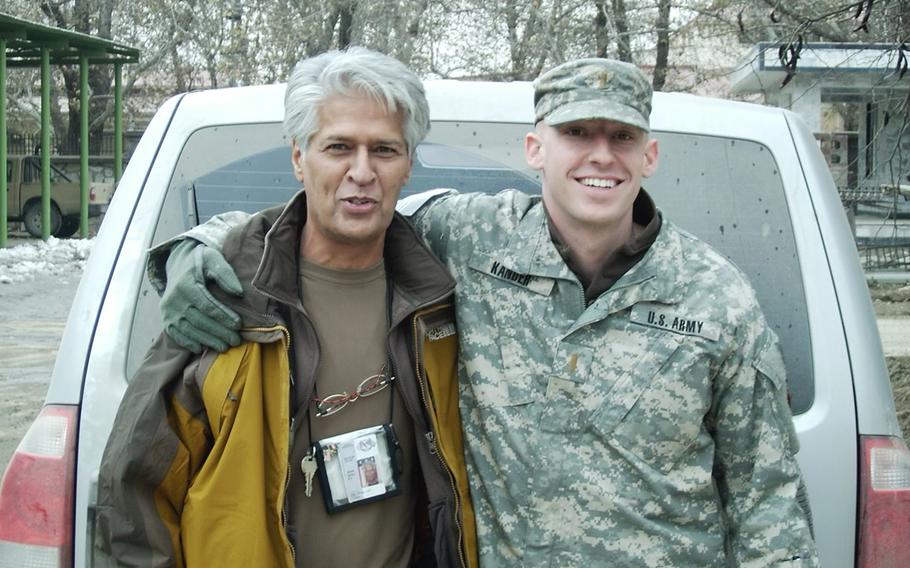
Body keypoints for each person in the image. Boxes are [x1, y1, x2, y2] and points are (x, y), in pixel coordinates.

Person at [154, 58, 820, 566]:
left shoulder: (717, 297)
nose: (600, 154)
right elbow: (338, 216)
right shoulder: (471, 239)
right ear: (536, 151)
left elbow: (768, 501)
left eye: (622, 136)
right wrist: (198, 247)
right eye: (576, 131)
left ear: (649, 155)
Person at [95, 47, 477, 568]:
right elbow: (137, 493)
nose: (361, 172)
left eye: (384, 150)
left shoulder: (447, 301)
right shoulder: (224, 294)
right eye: (338, 146)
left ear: (408, 164)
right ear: (299, 157)